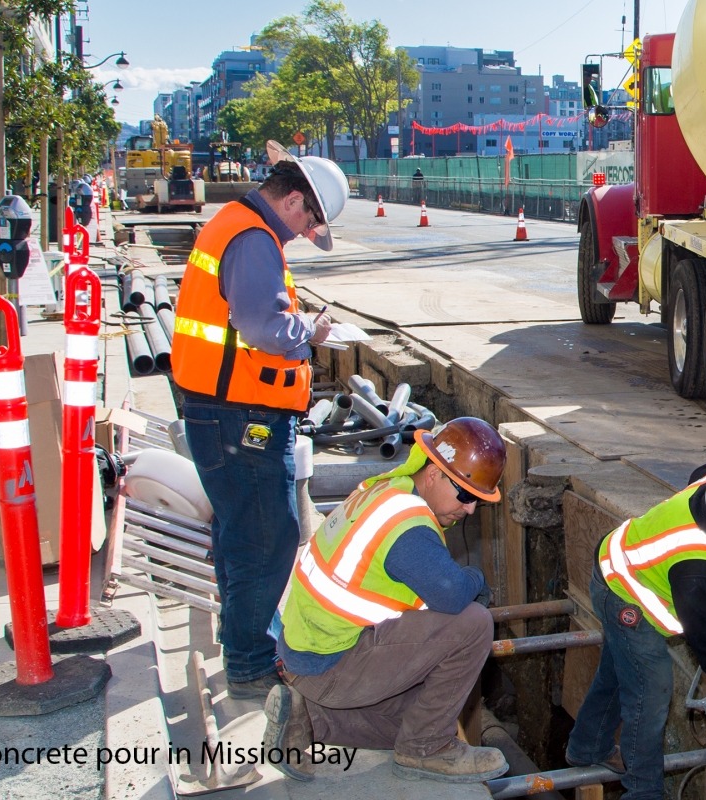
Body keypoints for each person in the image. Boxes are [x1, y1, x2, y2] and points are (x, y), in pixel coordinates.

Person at [170, 153, 348, 701]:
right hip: (239, 414)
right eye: (306, 222)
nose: (302, 234)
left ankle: (241, 642)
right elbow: (260, 324)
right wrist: (311, 332)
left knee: (239, 530)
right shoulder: (252, 239)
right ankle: (249, 662)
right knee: (265, 539)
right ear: (293, 200)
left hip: (223, 407)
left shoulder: (236, 225)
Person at [261, 417, 511, 783]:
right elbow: (453, 594)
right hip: (330, 664)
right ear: (433, 473)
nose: (470, 509)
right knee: (474, 624)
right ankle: (427, 749)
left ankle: (306, 720)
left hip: (308, 655)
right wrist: (476, 579)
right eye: (465, 495)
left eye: (478, 501)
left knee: (412, 719)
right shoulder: (407, 525)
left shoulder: (389, 490)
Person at [565, 460, 706, 800]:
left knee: (616, 671)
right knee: (650, 692)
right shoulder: (697, 568)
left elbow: (704, 470)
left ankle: (587, 748)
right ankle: (643, 792)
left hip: (617, 561)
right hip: (626, 596)